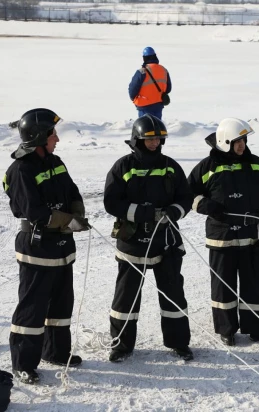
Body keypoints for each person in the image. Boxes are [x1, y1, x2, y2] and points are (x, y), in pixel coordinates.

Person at [3, 108, 90, 384]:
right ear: (39, 136)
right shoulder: (21, 170)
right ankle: (23, 363)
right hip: (37, 249)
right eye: (53, 134)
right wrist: (68, 221)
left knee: (62, 304)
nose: (57, 139)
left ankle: (55, 351)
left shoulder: (56, 162)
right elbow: (35, 211)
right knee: (33, 308)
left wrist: (77, 210)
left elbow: (72, 190)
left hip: (62, 248)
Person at [187, 118, 259, 348]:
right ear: (224, 142)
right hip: (221, 240)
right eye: (236, 141)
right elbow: (187, 193)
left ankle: (258, 329)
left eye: (244, 140)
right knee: (224, 286)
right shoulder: (207, 167)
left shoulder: (256, 165)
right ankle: (226, 329)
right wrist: (206, 205)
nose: (241, 145)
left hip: (250, 238)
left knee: (254, 287)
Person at [103, 114, 193, 362]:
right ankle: (121, 345)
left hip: (166, 241)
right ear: (137, 139)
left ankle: (179, 342)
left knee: (173, 293)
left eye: (159, 139)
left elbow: (186, 198)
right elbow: (111, 202)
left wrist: (175, 211)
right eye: (150, 139)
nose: (155, 144)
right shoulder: (123, 166)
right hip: (132, 242)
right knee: (126, 295)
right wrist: (142, 213)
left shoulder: (171, 165)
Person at [128, 46, 172, 120]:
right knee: (157, 127)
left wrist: (134, 98)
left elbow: (132, 89)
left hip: (144, 106)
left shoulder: (142, 71)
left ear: (144, 58)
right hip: (158, 105)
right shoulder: (164, 70)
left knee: (146, 128)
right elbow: (168, 88)